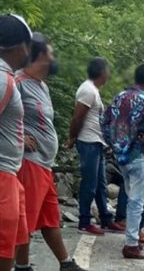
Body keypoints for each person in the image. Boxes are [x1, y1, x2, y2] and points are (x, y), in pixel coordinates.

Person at [14, 33, 85, 271]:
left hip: (44, 163)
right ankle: (21, 267)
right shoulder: (16, 82)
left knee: (49, 217)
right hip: (28, 163)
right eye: (51, 53)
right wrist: (19, 137)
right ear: (39, 55)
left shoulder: (41, 85)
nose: (54, 58)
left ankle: (66, 264)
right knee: (24, 221)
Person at [101, 64, 144, 259]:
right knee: (137, 202)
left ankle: (132, 239)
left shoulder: (119, 97)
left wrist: (115, 143)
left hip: (121, 157)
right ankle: (131, 245)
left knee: (130, 199)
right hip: (138, 155)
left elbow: (104, 123)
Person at [68, 57, 120, 235]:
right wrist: (72, 137)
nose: (109, 75)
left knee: (100, 184)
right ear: (102, 72)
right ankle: (84, 221)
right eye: (107, 71)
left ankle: (105, 218)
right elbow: (77, 117)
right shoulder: (88, 90)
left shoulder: (94, 90)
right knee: (89, 184)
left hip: (96, 142)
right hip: (88, 141)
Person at [0, 14, 32, 271]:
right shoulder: (2, 79)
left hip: (10, 174)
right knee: (2, 246)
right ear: (20, 46)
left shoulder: (7, 77)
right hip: (1, 177)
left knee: (11, 243)